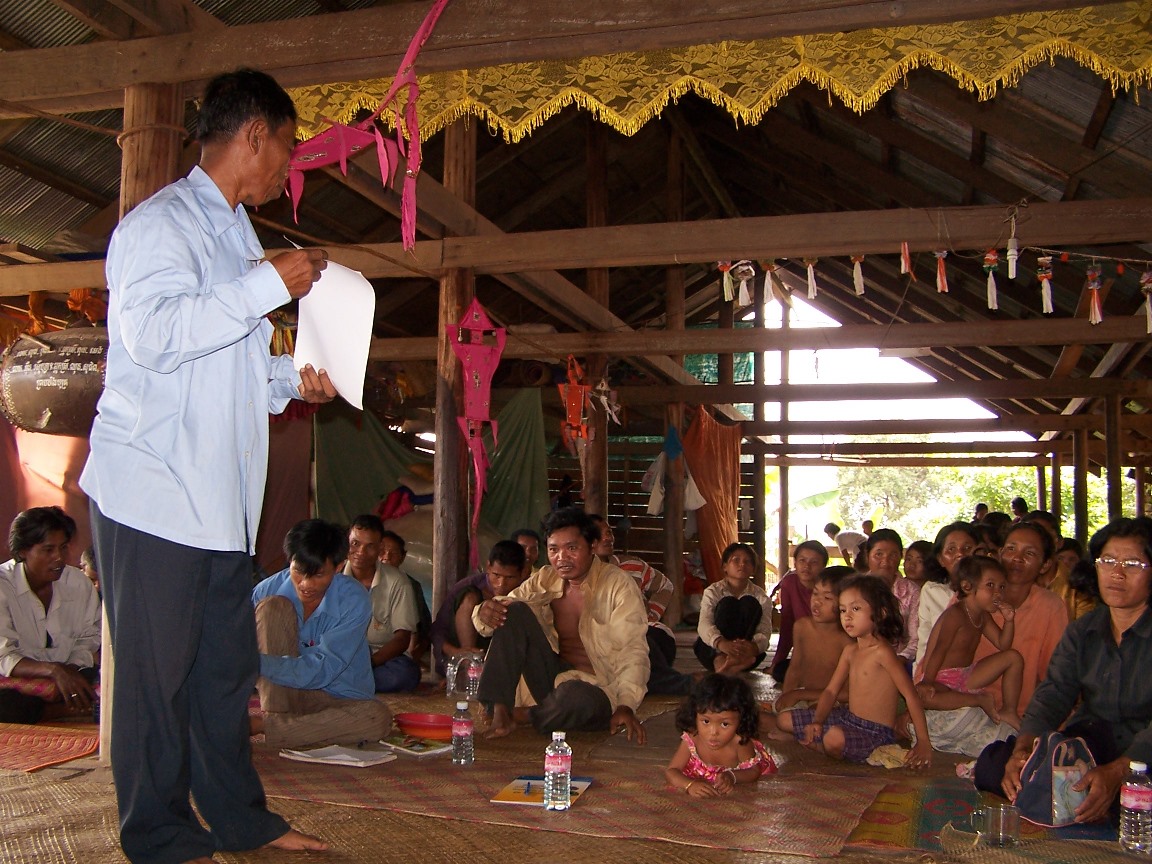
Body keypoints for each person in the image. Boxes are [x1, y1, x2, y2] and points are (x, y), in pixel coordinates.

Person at [79, 68, 334, 861]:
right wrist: (264, 287)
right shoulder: (160, 227)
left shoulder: (235, 237)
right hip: (152, 492)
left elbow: (231, 373)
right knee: (155, 681)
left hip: (218, 503)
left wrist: (296, 380)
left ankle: (239, 819)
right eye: (289, 147)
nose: (289, 166)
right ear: (253, 134)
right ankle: (156, 833)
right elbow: (152, 337)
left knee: (222, 674)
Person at [977, 517, 1152, 824]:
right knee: (995, 766)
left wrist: (1119, 770)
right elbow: (1055, 692)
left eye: (1133, 564)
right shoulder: (1084, 630)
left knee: (1129, 788)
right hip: (1094, 742)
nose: (1117, 573)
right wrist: (1023, 749)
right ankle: (1087, 796)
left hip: (1143, 754)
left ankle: (1105, 797)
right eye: (1108, 561)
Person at [473, 507, 649, 741]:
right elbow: (503, 608)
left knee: (574, 698)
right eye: (554, 549)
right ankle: (500, 711)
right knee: (512, 610)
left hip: (597, 689)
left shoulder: (618, 585)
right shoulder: (545, 578)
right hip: (550, 680)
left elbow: (633, 649)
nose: (561, 558)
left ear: (593, 546)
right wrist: (483, 612)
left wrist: (626, 705)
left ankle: (525, 716)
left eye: (572, 548)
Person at [250, 519, 390, 749]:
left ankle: (265, 725)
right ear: (290, 560)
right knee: (272, 607)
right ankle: (283, 720)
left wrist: (253, 664)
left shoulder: (354, 600)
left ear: (338, 567)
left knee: (378, 718)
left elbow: (323, 669)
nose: (306, 584)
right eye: (299, 572)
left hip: (334, 697)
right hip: (282, 694)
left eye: (318, 575)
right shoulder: (266, 590)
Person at [778, 574, 932, 767]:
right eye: (842, 610)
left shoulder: (883, 653)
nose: (847, 616)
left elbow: (911, 696)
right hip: (846, 717)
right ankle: (821, 739)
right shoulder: (850, 651)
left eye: (856, 609)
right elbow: (831, 691)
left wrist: (923, 742)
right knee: (784, 719)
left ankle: (823, 745)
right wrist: (817, 721)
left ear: (881, 613)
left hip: (874, 732)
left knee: (834, 737)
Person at [0, 507, 101, 724]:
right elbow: (3, 656)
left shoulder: (78, 583)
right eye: (48, 550)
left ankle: (61, 705)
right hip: (17, 680)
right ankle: (63, 710)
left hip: (73, 671)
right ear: (23, 551)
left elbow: (90, 640)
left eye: (63, 548)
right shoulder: (2, 587)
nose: (59, 558)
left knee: (106, 682)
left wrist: (70, 672)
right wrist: (54, 671)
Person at [589, 514, 694, 695]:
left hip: (647, 634)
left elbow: (665, 586)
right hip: (608, 643)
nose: (608, 538)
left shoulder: (632, 566)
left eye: (609, 532)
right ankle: (669, 683)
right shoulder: (578, 577)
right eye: (599, 534)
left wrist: (650, 615)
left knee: (647, 638)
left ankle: (661, 682)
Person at [916, 555, 1024, 730]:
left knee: (1013, 657)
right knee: (924, 698)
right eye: (990, 585)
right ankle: (978, 700)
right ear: (967, 586)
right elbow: (939, 650)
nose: (998, 593)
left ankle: (1009, 711)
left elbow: (1003, 645)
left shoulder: (983, 616)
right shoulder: (955, 614)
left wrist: (1009, 621)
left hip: (967, 676)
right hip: (940, 678)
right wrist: (927, 682)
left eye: (1002, 587)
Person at [664, 673, 777, 796]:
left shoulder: (740, 741)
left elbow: (754, 771)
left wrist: (732, 776)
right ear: (694, 716)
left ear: (740, 721)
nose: (713, 732)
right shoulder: (692, 738)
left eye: (724, 724)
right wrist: (689, 784)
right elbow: (672, 771)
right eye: (706, 721)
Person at [343, 515, 421, 693]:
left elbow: (402, 639)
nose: (361, 552)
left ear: (379, 548)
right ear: (346, 542)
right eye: (355, 543)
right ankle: (350, 682)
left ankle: (345, 683)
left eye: (369, 546)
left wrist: (368, 663)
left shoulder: (398, 581)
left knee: (405, 674)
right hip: (342, 656)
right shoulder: (333, 576)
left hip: (380, 659)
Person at [430, 540, 526, 676]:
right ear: (488, 567)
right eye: (496, 575)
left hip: (498, 662)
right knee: (469, 597)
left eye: (510, 577)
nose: (501, 584)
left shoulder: (528, 592)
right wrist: (459, 654)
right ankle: (467, 668)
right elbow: (437, 630)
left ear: (523, 573)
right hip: (457, 658)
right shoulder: (468, 585)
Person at [771, 566, 853, 717]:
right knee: (766, 717)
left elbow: (848, 694)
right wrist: (786, 696)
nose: (817, 601)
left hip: (834, 702)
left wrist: (799, 695)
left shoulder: (847, 640)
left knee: (813, 715)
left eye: (827, 598)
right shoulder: (802, 626)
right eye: (815, 593)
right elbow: (795, 668)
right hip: (805, 697)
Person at [694, 543, 773, 675]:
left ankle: (728, 666)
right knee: (727, 604)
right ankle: (723, 662)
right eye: (736, 560)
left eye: (747, 561)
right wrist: (722, 644)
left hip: (747, 652)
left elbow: (764, 629)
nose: (742, 564)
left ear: (753, 569)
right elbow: (704, 623)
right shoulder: (713, 591)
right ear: (725, 566)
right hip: (715, 649)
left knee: (749, 602)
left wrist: (753, 647)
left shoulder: (761, 597)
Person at [768, 540, 828, 682]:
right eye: (802, 560)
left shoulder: (829, 586)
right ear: (795, 563)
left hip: (830, 649)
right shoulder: (789, 583)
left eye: (814, 562)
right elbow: (787, 623)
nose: (807, 566)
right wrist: (777, 660)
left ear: (823, 567)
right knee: (780, 672)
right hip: (805, 652)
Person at [859, 529, 920, 667]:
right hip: (860, 660)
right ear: (867, 556)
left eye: (893, 555)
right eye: (878, 554)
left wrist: (898, 661)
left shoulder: (912, 591)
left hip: (899, 662)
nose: (885, 562)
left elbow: (915, 638)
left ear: (900, 557)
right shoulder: (855, 589)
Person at [378, 529, 432, 671]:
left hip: (398, 649)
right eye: (381, 551)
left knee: (405, 672)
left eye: (394, 553)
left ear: (403, 557)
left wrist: (412, 655)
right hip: (367, 648)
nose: (386, 557)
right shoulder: (362, 580)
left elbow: (416, 627)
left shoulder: (410, 585)